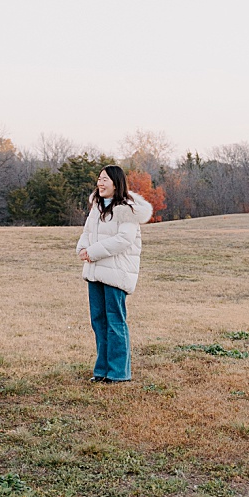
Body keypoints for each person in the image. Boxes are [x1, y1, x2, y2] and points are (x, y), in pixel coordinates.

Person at [77, 164, 152, 384]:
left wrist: (91, 252)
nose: (100, 183)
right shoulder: (97, 207)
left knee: (115, 322)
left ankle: (119, 372)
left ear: (116, 183)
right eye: (99, 179)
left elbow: (122, 240)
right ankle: (102, 371)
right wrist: (82, 248)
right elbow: (87, 232)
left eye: (105, 180)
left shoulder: (126, 209)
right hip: (95, 272)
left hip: (116, 273)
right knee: (98, 321)